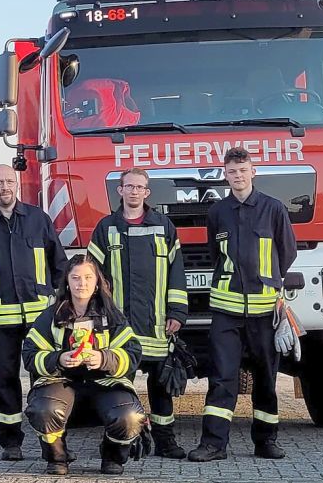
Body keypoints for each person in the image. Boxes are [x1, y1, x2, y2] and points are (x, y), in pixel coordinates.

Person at [188, 147, 297, 462]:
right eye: (232, 171)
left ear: (253, 172)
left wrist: (269, 284)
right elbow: (214, 253)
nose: (238, 176)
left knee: (266, 378)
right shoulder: (217, 212)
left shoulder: (273, 209)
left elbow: (286, 253)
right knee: (222, 377)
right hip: (225, 311)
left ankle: (266, 442)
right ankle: (213, 445)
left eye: (243, 170)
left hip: (265, 313)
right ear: (226, 175)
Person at [0, 164, 67, 460]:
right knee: (4, 379)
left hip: (39, 320)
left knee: (45, 378)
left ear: (16, 184)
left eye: (9, 181)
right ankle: (11, 442)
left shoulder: (38, 219)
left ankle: (52, 443)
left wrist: (66, 307)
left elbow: (59, 266)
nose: (4, 187)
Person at [87, 167, 189, 459]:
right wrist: (97, 317)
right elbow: (93, 276)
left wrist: (177, 312)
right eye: (128, 186)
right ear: (120, 191)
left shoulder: (164, 226)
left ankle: (166, 441)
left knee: (161, 388)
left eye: (139, 187)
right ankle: (123, 439)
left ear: (147, 192)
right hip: (119, 327)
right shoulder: (106, 227)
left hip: (157, 324)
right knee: (119, 385)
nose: (134, 191)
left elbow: (176, 274)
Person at [22, 254, 149, 476]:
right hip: (61, 383)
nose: (82, 283)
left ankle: (112, 455)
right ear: (67, 282)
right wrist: (58, 359)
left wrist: (103, 359)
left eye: (88, 277)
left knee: (130, 416)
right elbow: (30, 355)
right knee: (44, 410)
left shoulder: (113, 316)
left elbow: (132, 354)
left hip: (105, 384)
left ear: (98, 282)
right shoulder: (50, 316)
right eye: (76, 278)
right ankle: (57, 457)